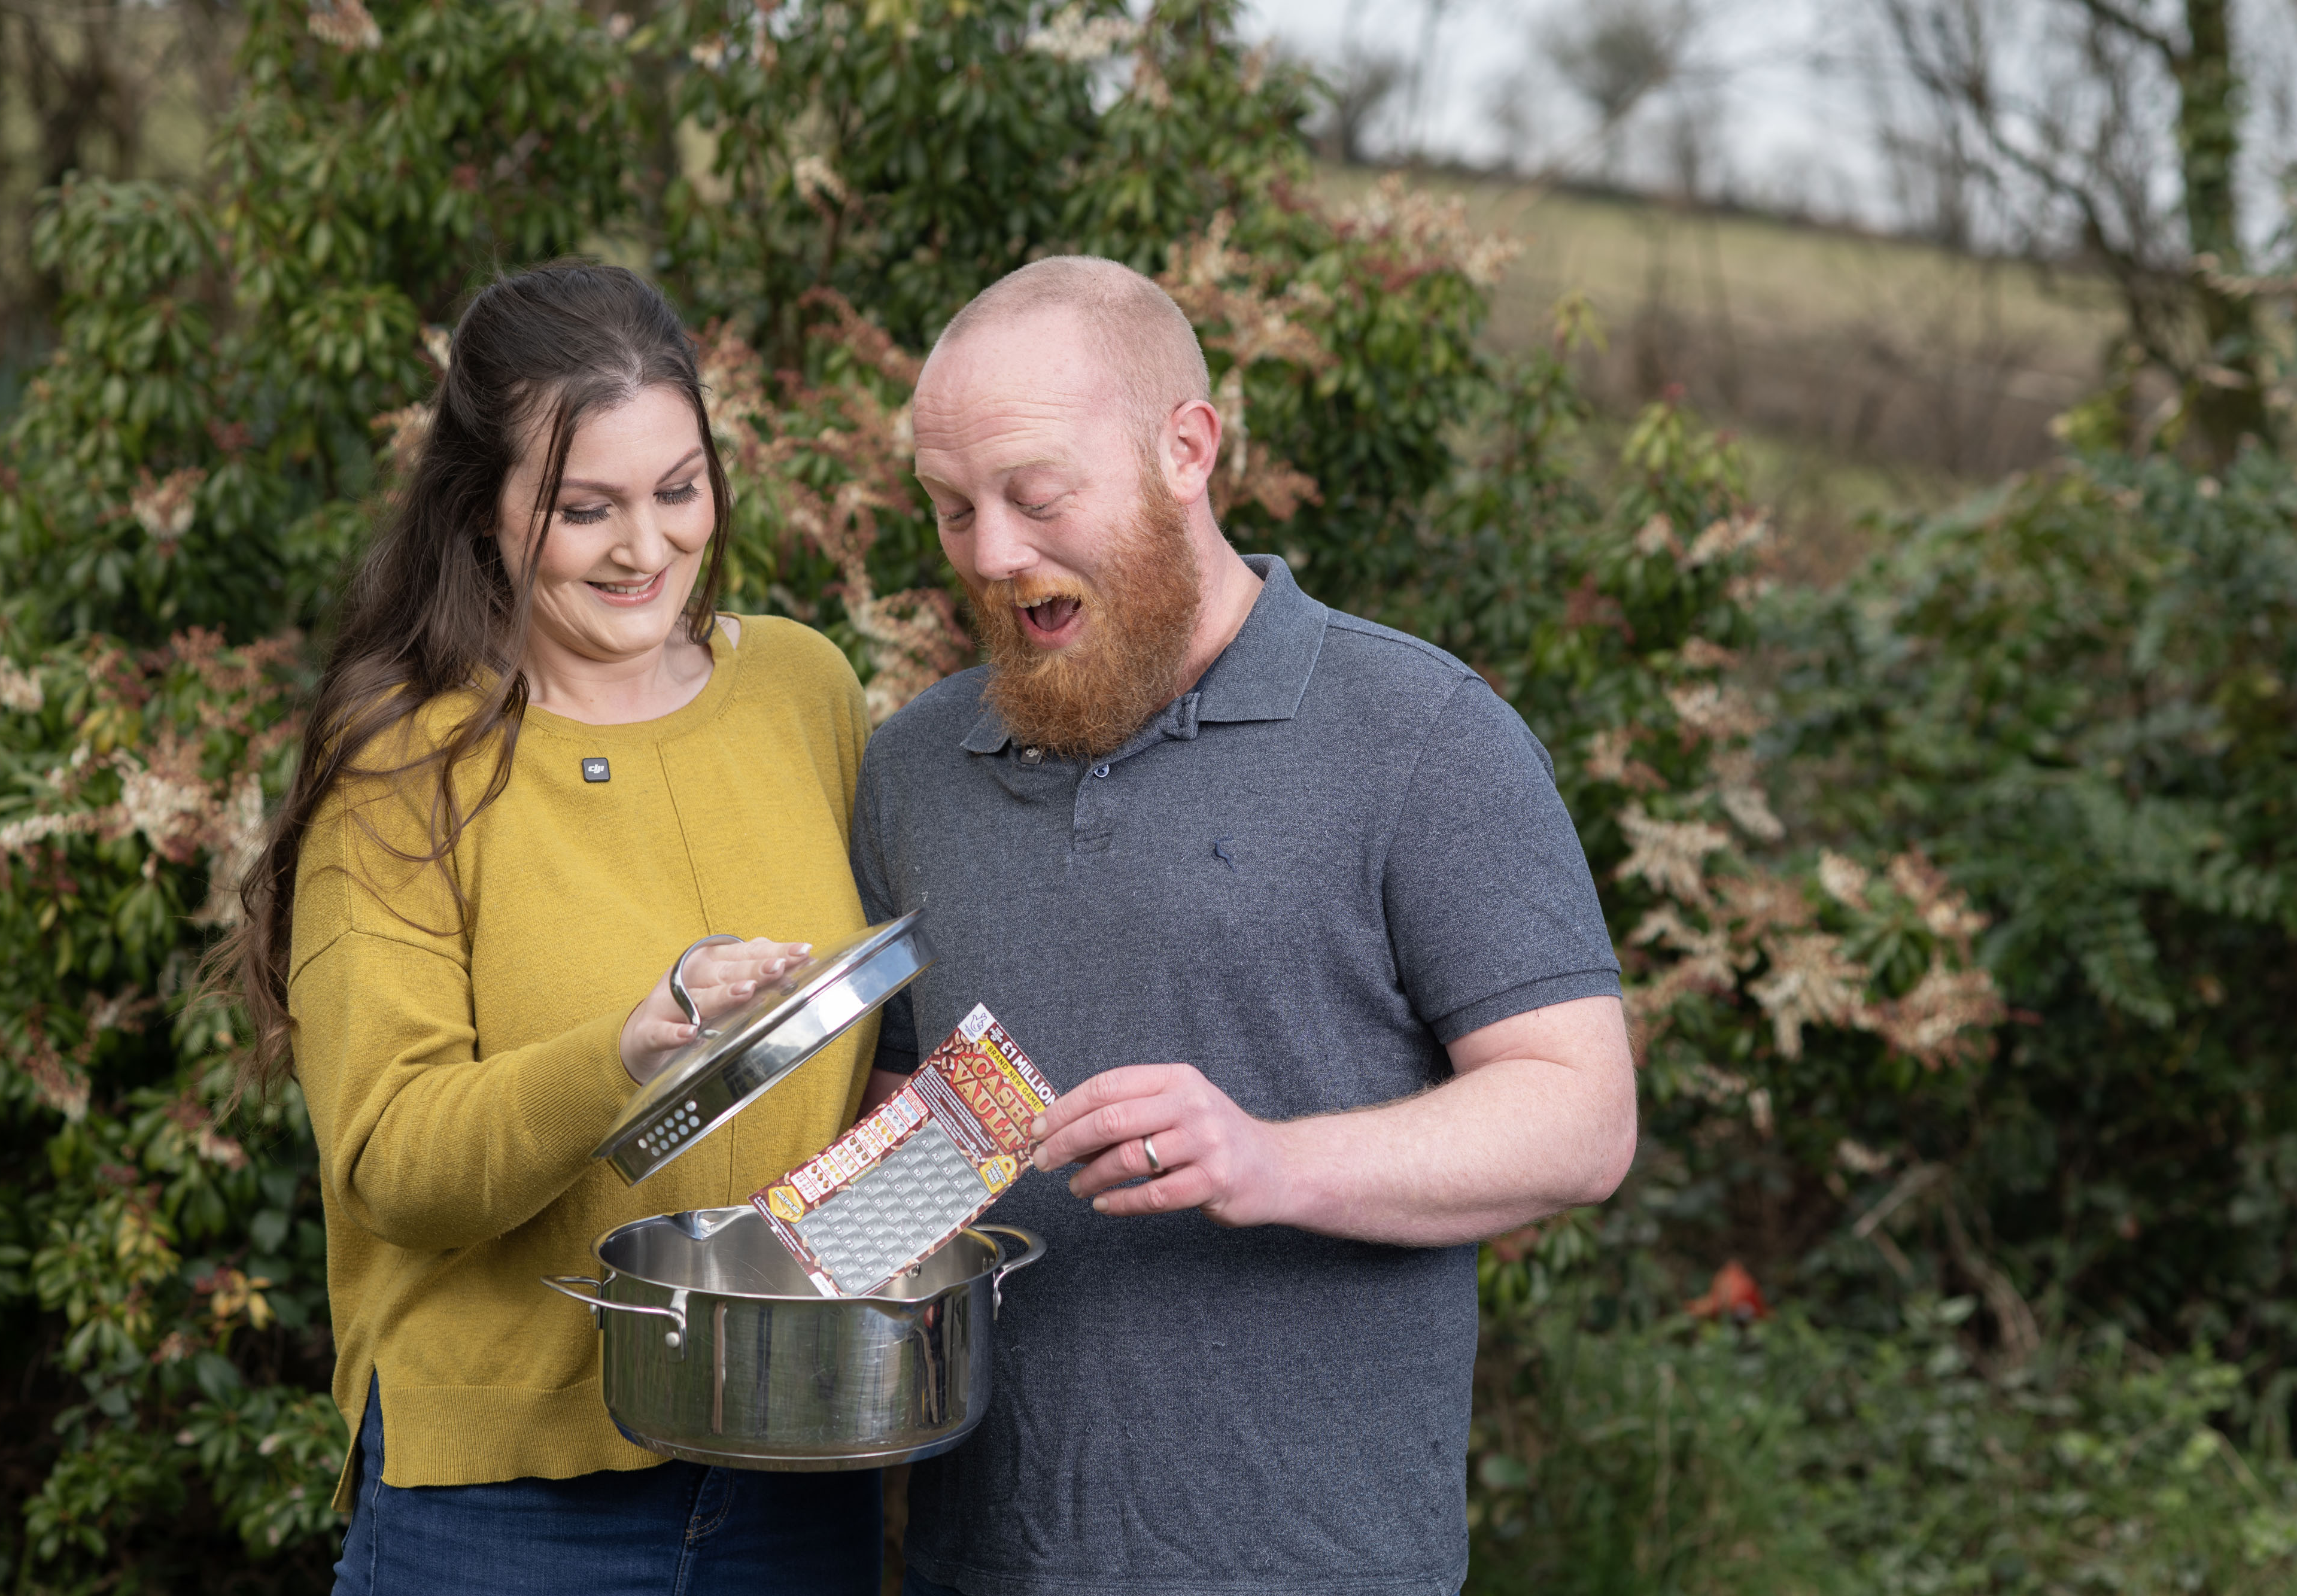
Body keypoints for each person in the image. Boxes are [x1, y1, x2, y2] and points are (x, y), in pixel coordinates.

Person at [850, 256, 1639, 1596]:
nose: (990, 552)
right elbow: (899, 1143)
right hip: (977, 1564)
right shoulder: (914, 767)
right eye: (950, 510)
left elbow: (1579, 1117)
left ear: (1185, 450)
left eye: (1036, 495)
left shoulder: (1419, 734)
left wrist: (1265, 1158)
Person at [221, 262, 883, 1595]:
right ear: (484, 511)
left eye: (678, 489)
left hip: (794, 1475)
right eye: (587, 509)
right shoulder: (407, 767)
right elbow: (390, 1156)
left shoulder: (803, 690)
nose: (646, 548)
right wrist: (624, 1052)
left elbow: (868, 1053)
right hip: (507, 1513)